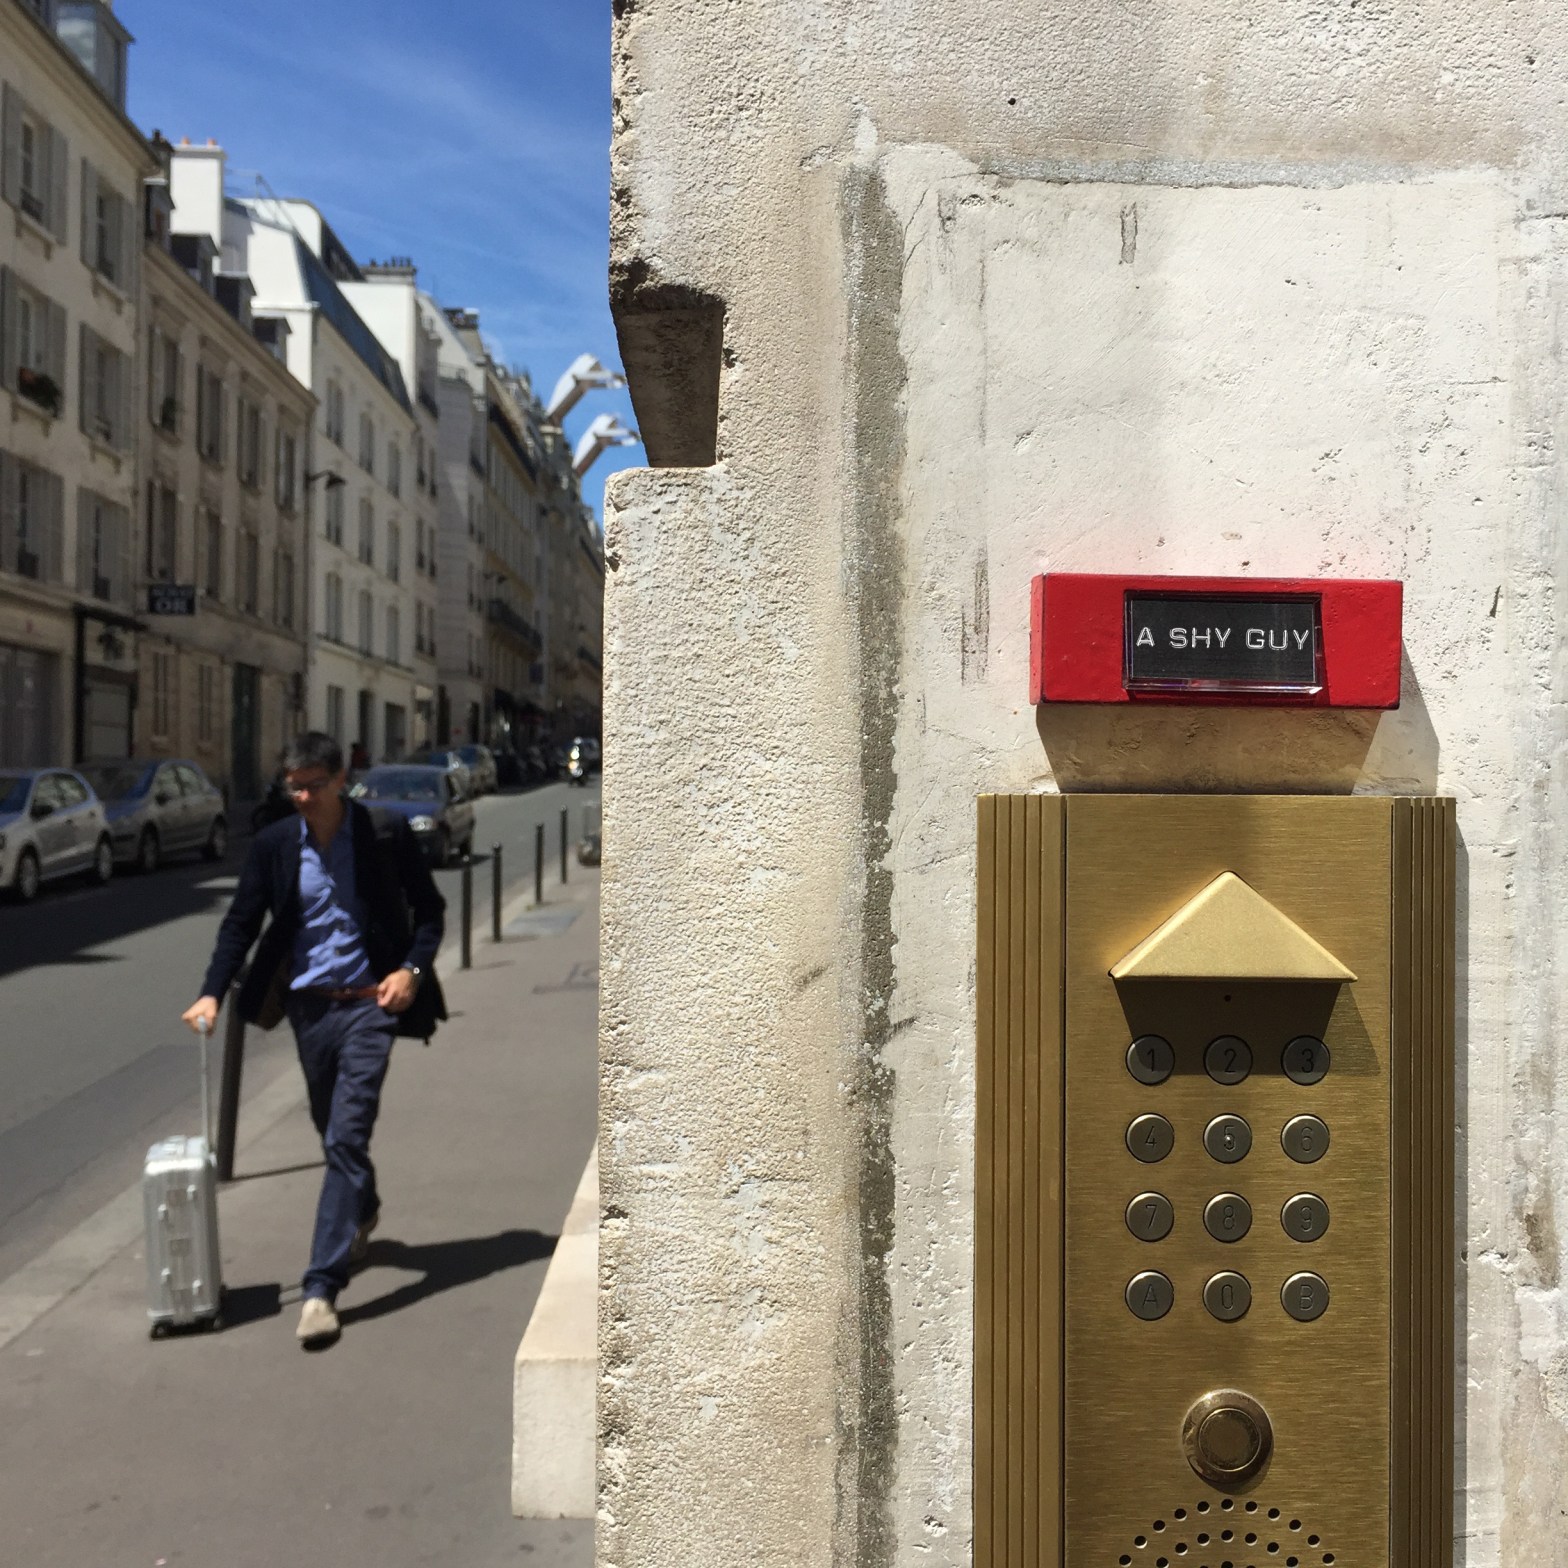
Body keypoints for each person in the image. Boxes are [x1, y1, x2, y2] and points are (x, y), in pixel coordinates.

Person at [182, 731, 446, 1347]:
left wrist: (409, 972)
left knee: (347, 1134)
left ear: (339, 780)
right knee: (332, 1131)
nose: (301, 796)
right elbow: (241, 922)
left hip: (368, 1006)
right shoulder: (276, 844)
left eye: (313, 785)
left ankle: (321, 1287)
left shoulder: (382, 834)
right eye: (292, 785)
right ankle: (365, 1205)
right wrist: (211, 992)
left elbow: (429, 913)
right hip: (308, 1009)